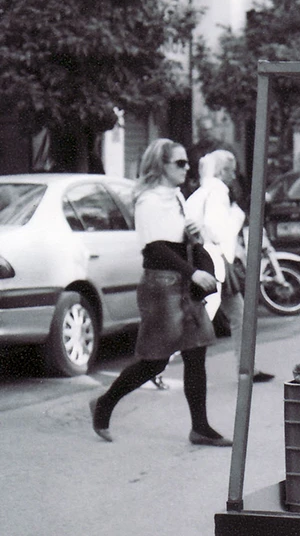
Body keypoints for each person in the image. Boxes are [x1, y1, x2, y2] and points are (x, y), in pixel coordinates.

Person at [89, 138, 231, 447]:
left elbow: (175, 241)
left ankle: (200, 428)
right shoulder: (150, 200)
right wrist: (193, 271)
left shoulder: (175, 196)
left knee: (196, 354)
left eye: (187, 163)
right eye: (179, 163)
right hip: (162, 285)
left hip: (183, 284)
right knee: (155, 361)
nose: (186, 168)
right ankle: (104, 404)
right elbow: (155, 249)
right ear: (160, 166)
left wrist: (193, 235)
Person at [187, 149, 274, 383]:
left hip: (212, 260)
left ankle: (247, 368)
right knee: (202, 318)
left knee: (238, 314)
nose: (235, 175)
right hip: (215, 261)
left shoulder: (202, 191)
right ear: (222, 171)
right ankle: (167, 367)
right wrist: (235, 225)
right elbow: (217, 229)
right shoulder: (218, 192)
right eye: (232, 169)